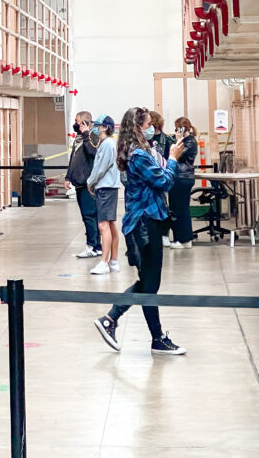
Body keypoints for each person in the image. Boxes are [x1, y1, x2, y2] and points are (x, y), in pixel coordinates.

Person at [93, 106, 186, 355]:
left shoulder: (140, 152)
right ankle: (146, 334)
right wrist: (174, 159)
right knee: (149, 284)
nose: (152, 130)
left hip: (146, 222)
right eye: (147, 126)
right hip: (145, 225)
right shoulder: (139, 156)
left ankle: (115, 321)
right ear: (138, 128)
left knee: (148, 283)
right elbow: (164, 181)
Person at [86, 115, 121, 275]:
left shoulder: (107, 144)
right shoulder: (107, 144)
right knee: (110, 224)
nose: (95, 128)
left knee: (103, 225)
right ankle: (113, 261)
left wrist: (90, 181)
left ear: (105, 127)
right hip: (109, 187)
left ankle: (104, 262)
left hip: (106, 188)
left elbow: (100, 168)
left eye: (98, 125)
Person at [65, 110, 101, 258]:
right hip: (78, 182)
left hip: (88, 184)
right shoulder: (78, 139)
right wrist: (68, 177)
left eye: (77, 122)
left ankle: (93, 245)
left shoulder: (92, 136)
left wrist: (86, 135)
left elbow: (92, 152)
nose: (75, 124)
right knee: (87, 216)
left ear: (85, 123)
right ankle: (95, 245)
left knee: (90, 215)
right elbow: (73, 158)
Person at [169, 117, 199, 249]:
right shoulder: (186, 141)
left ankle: (184, 239)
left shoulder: (190, 141)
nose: (176, 131)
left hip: (183, 177)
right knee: (176, 209)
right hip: (177, 177)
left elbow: (178, 155)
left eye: (178, 129)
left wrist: (178, 140)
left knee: (182, 209)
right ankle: (180, 238)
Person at [148, 110, 174, 250]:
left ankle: (164, 234)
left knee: (163, 206)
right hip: (149, 176)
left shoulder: (167, 140)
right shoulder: (145, 140)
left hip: (162, 176)